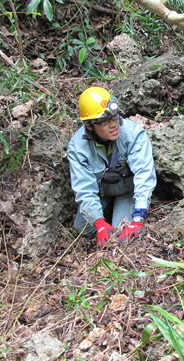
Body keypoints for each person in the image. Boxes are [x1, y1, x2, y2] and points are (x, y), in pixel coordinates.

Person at [67, 86, 157, 246]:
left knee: (121, 234)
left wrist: (138, 217)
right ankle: (104, 215)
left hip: (127, 191)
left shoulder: (133, 134)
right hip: (101, 194)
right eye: (104, 121)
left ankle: (118, 214)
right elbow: (84, 190)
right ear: (89, 126)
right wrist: (99, 222)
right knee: (81, 229)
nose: (113, 124)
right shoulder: (77, 147)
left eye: (114, 117)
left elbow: (144, 174)